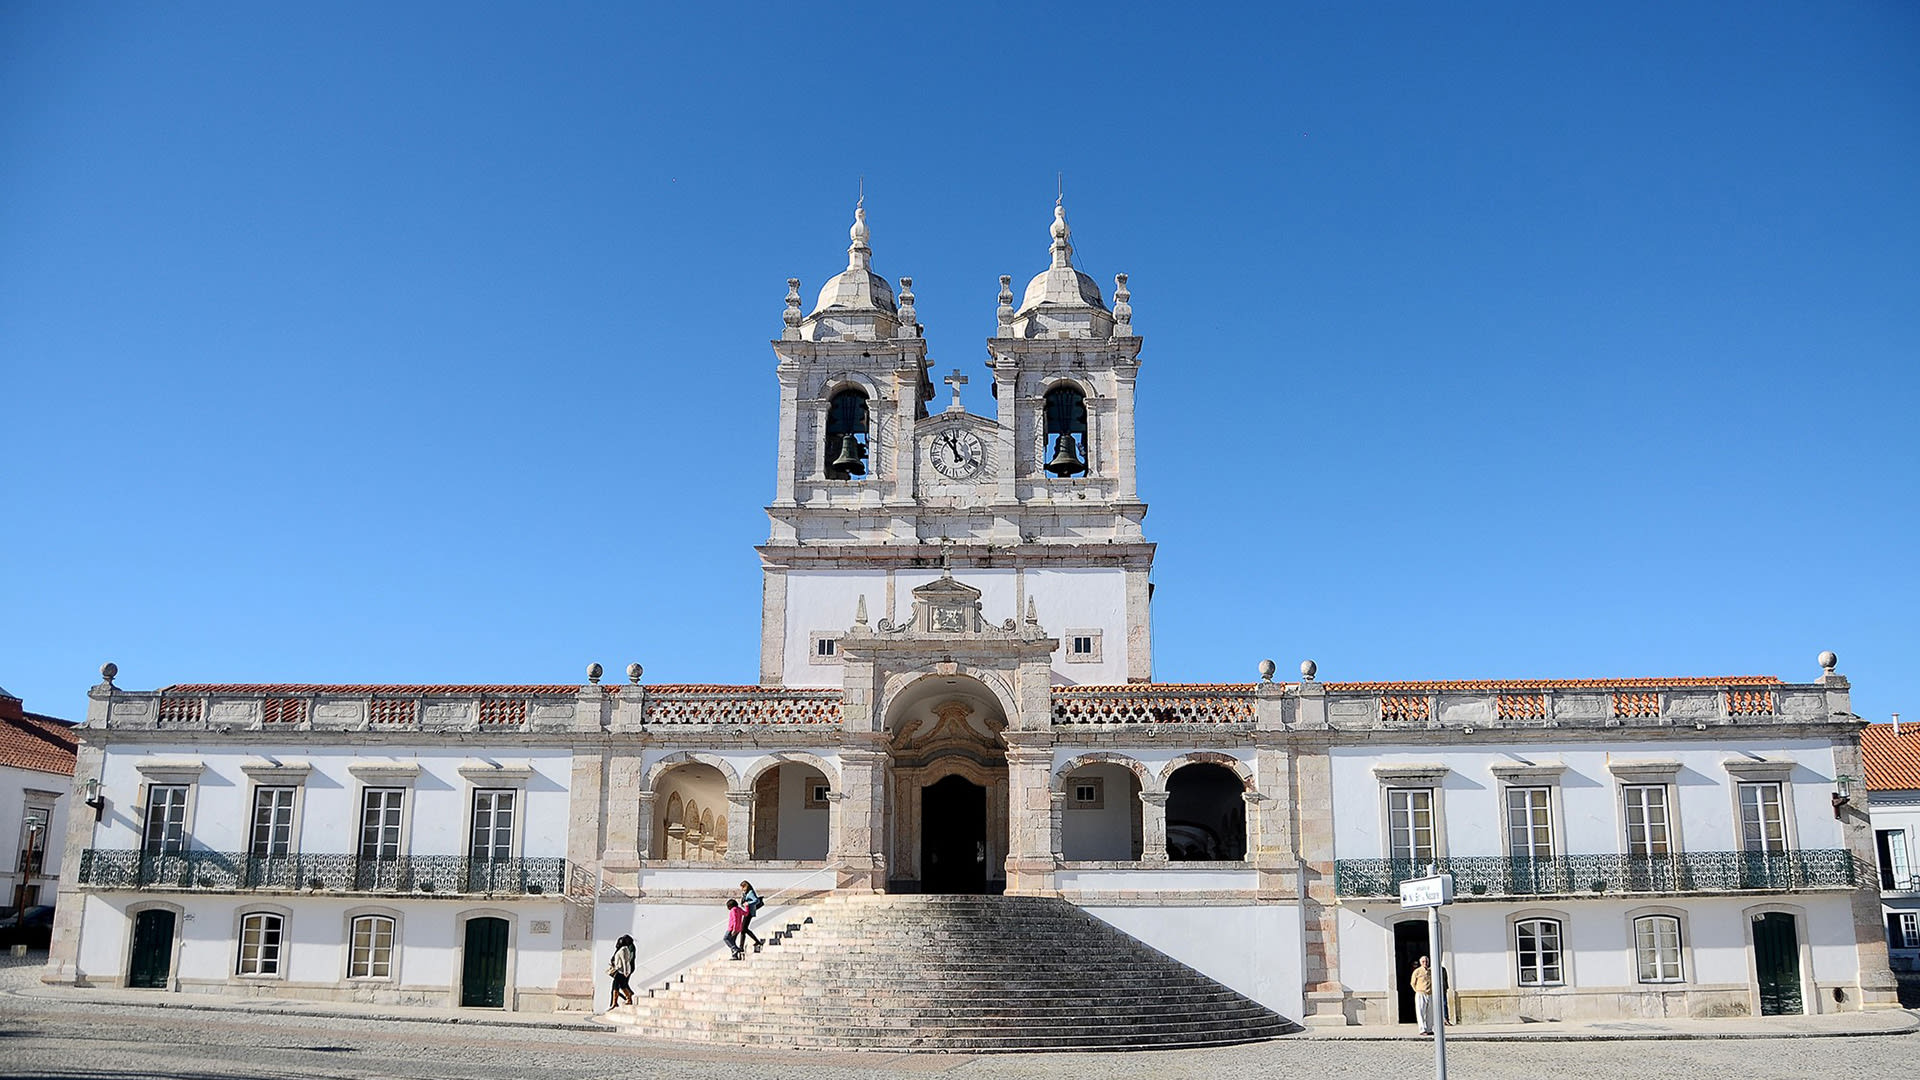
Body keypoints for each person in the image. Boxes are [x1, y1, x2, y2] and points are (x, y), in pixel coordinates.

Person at [608, 933, 636, 1008]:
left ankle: (628, 997)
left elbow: (626, 961)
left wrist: (626, 971)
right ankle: (615, 1002)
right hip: (618, 970)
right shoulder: (621, 949)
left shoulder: (626, 949)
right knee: (617, 985)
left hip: (622, 970)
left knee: (622, 985)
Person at [1410, 954, 1435, 1035]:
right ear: (1421, 962)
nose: (1425, 963)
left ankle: (1429, 1029)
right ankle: (1422, 1029)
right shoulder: (1417, 971)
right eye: (1423, 961)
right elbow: (1413, 983)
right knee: (1420, 1012)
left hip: (1430, 993)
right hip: (1421, 993)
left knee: (1430, 1012)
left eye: (1426, 961)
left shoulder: (1431, 971)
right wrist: (1417, 990)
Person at [738, 881, 764, 953]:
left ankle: (742, 946)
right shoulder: (746, 893)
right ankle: (742, 946)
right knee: (743, 929)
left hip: (749, 912)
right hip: (747, 912)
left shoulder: (750, 893)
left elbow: (756, 900)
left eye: (743, 888)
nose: (742, 890)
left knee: (743, 929)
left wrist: (748, 903)